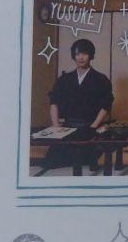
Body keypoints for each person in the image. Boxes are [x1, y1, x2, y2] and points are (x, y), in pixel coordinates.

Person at [41, 38, 113, 173]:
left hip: (90, 126)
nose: (80, 57)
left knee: (84, 156)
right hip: (68, 126)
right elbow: (54, 102)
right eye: (77, 54)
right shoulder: (65, 79)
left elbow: (106, 105)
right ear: (73, 56)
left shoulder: (100, 79)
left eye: (84, 54)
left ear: (91, 55)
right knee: (51, 162)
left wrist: (94, 126)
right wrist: (56, 126)